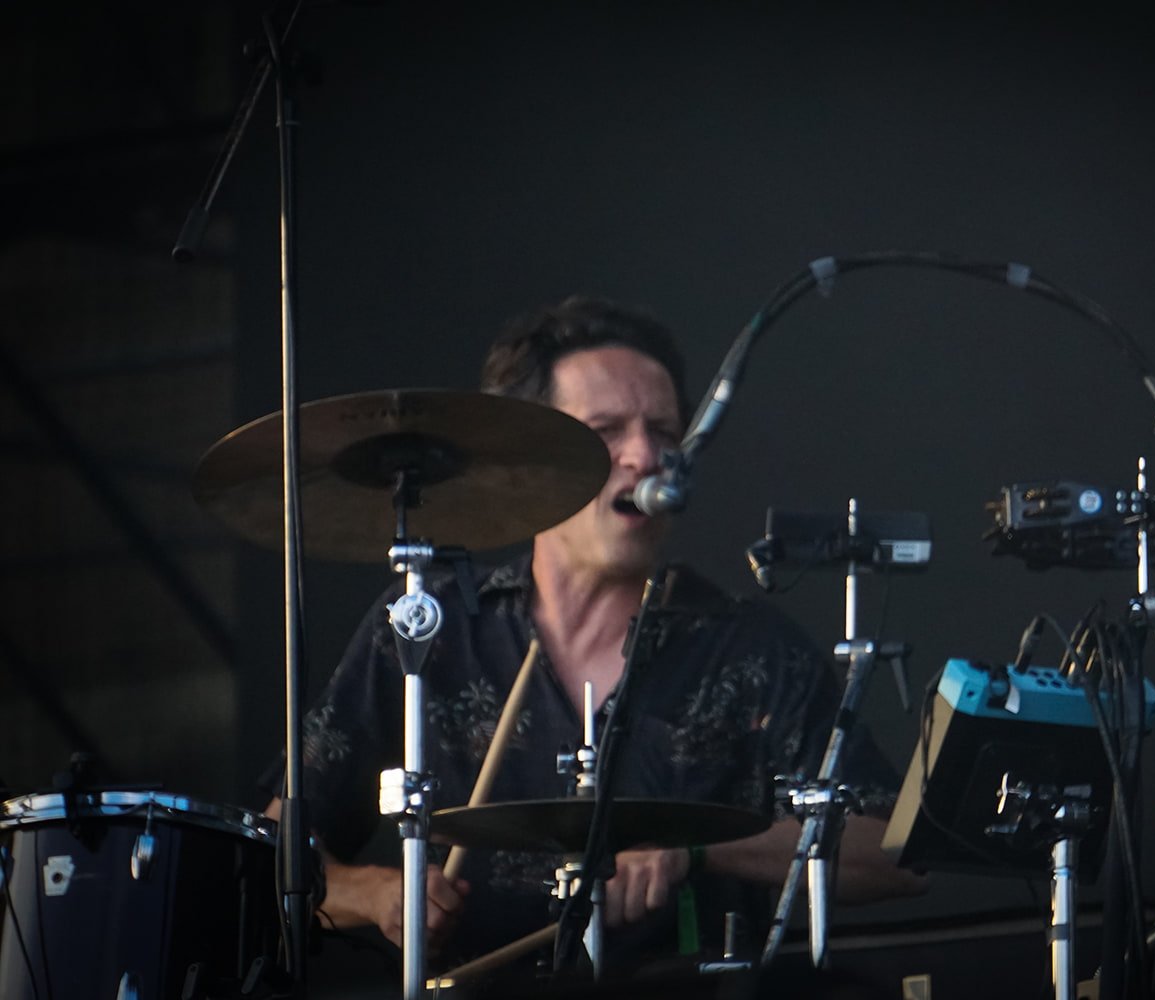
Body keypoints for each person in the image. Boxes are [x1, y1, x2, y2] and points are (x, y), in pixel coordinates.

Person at [261, 295, 927, 989]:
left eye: (663, 432)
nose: (645, 456)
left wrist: (698, 853)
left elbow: (899, 856)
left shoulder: (751, 650)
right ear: (531, 461)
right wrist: (376, 893)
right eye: (605, 431)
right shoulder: (431, 629)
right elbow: (269, 855)